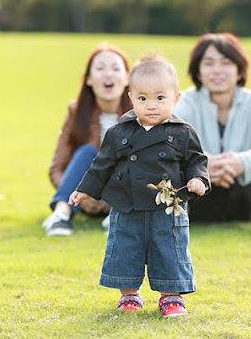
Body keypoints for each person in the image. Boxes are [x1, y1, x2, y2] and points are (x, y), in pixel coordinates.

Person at [69, 54, 209, 317]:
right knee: (125, 248)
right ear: (131, 98)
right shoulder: (119, 132)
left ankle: (171, 296)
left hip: (168, 206)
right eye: (143, 98)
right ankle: (129, 294)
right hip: (126, 205)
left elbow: (196, 160)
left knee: (169, 248)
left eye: (160, 98)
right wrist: (84, 188)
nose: (151, 105)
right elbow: (102, 164)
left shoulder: (182, 132)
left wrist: (198, 179)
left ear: (175, 98)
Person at [173, 33, 251, 238]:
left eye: (226, 63)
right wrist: (202, 165)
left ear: (239, 71)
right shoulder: (184, 103)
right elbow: (168, 145)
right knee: (174, 177)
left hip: (242, 192)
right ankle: (156, 220)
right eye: (209, 63)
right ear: (198, 70)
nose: (217, 70)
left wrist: (240, 162)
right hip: (198, 195)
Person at [42, 43, 131, 236]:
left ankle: (119, 219)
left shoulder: (141, 113)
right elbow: (57, 168)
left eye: (116, 68)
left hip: (124, 195)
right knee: (86, 152)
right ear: (89, 79)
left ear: (127, 78)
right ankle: (60, 216)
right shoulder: (76, 112)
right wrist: (84, 195)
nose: (108, 74)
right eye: (100, 68)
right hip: (83, 195)